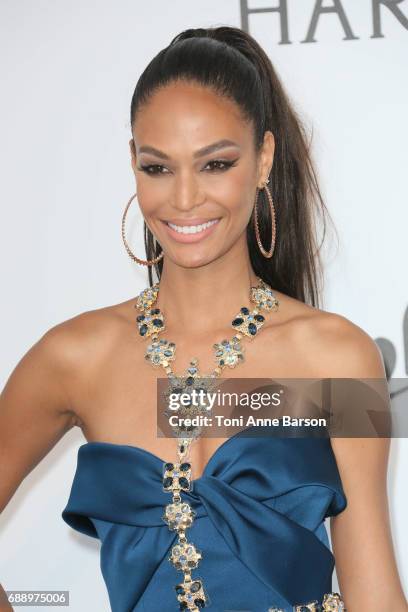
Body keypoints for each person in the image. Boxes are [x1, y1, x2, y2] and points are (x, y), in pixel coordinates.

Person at [0, 25, 406, 612]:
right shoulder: (74, 358)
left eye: (215, 163)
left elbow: (375, 594)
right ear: (132, 164)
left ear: (264, 158)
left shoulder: (338, 356)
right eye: (157, 167)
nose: (184, 198)